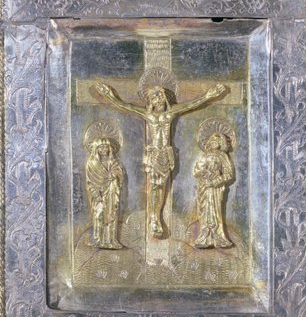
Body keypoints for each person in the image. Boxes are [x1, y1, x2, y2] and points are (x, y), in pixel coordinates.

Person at [95, 72, 228, 238]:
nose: (157, 100)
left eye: (159, 96)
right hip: (153, 153)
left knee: (162, 186)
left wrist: (209, 95)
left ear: (164, 98)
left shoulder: (170, 114)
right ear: (150, 101)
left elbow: (191, 105)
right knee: (154, 185)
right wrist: (109, 95)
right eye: (153, 97)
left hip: (165, 153)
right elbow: (126, 106)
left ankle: (156, 214)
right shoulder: (148, 115)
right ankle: (154, 218)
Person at [193, 132, 234, 249]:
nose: (215, 143)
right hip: (204, 187)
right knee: (204, 211)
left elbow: (229, 174)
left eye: (218, 141)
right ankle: (204, 236)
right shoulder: (204, 156)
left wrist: (215, 181)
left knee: (214, 211)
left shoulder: (223, 156)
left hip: (215, 188)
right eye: (213, 140)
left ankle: (218, 236)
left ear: (221, 143)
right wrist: (203, 173)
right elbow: (196, 171)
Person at [85, 137, 123, 249]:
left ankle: (111, 240)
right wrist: (95, 193)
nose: (103, 150)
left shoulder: (112, 161)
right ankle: (98, 239)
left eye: (106, 147)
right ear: (96, 149)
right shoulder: (91, 163)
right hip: (98, 194)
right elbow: (90, 181)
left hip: (111, 192)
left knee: (111, 214)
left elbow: (118, 172)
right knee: (99, 214)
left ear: (109, 148)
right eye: (100, 147)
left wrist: (114, 175)